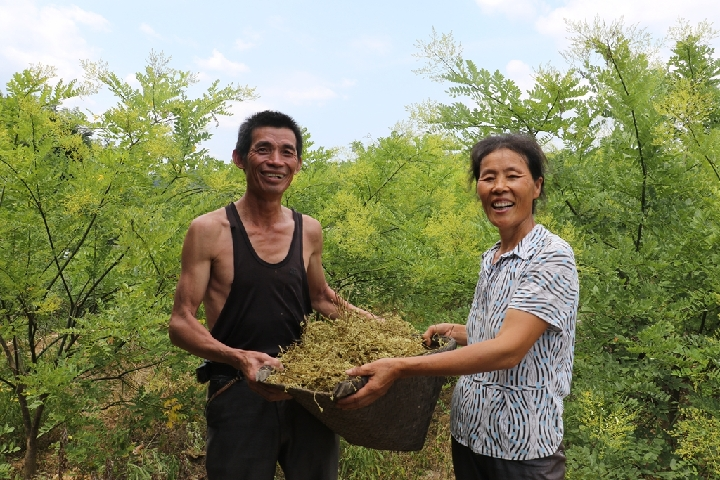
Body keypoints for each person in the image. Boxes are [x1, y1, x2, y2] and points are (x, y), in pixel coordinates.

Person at [337, 133, 579, 480]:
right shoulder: (492, 257)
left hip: (521, 448)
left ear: (537, 186)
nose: (499, 187)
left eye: (513, 176)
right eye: (488, 177)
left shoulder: (551, 256)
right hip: (469, 434)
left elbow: (509, 350)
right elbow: (506, 332)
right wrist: (458, 332)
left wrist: (401, 367)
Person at [168, 110, 374, 480]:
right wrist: (239, 358)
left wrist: (382, 331)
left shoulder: (308, 229)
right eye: (263, 149)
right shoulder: (209, 230)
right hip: (236, 390)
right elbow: (181, 322)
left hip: (308, 390)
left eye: (287, 152)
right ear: (239, 158)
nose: (276, 161)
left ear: (297, 164)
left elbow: (323, 298)